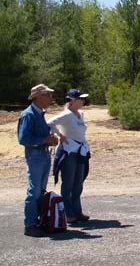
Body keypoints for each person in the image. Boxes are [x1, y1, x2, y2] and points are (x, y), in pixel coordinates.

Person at [17, 84, 59, 237]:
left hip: (43, 154)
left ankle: (38, 222)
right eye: (48, 95)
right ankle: (30, 225)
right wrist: (44, 140)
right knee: (34, 190)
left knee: (40, 190)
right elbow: (23, 138)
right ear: (39, 97)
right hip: (35, 155)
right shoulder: (28, 115)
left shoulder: (39, 113)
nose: (50, 99)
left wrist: (50, 140)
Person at [47, 89, 92, 223]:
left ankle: (77, 211)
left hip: (80, 151)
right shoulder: (66, 115)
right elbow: (50, 123)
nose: (83, 101)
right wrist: (60, 135)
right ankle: (67, 213)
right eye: (80, 99)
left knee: (78, 182)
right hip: (68, 152)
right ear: (72, 100)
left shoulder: (81, 114)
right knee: (68, 182)